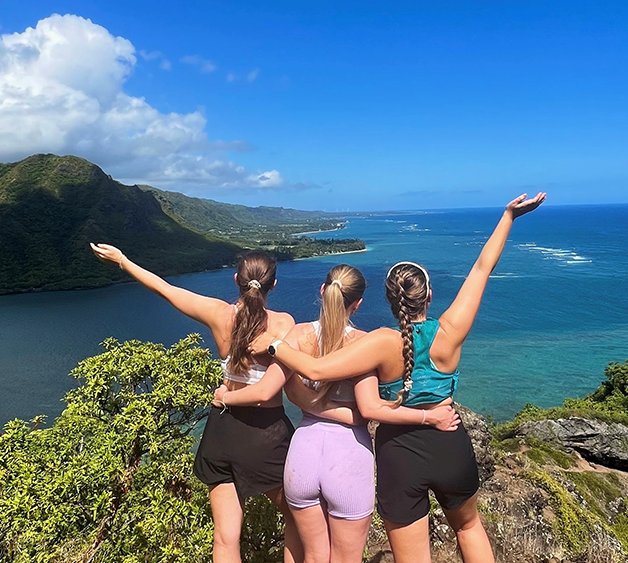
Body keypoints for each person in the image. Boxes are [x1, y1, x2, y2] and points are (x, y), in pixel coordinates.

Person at [250, 193, 547, 563]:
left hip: (399, 456)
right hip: (449, 442)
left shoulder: (380, 344)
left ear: (390, 301)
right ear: (429, 296)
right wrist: (508, 217)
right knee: (469, 528)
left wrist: (275, 345)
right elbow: (482, 268)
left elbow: (315, 371)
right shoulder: (449, 332)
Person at [213, 264, 460, 563]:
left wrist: (229, 396)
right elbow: (366, 412)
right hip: (348, 458)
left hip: (302, 455)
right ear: (357, 304)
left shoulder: (297, 335)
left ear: (322, 291)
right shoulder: (364, 343)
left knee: (313, 556)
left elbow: (273, 390)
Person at [89, 244, 300, 563]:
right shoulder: (284, 324)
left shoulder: (217, 314)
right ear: (274, 284)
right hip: (266, 435)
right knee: (300, 519)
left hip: (222, 431)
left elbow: (165, 289)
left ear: (236, 280)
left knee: (225, 538)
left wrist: (123, 261)